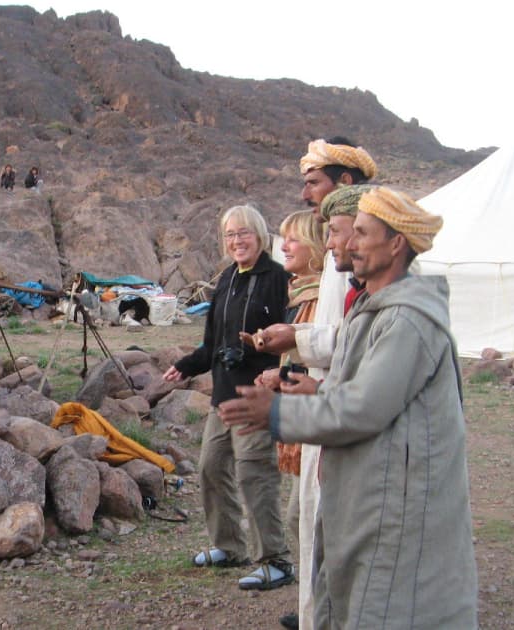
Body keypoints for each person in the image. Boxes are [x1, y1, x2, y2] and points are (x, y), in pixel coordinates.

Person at [220, 187, 479, 629]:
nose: (349, 244)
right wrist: (317, 393)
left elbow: (363, 410)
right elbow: (372, 395)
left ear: (396, 243)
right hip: (374, 493)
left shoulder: (407, 321)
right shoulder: (376, 311)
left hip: (395, 500)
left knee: (387, 606)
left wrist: (278, 414)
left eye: (360, 233)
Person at [269, 137, 379, 630]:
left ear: (346, 182)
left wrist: (295, 338)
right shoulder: (340, 254)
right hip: (323, 401)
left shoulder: (360, 261)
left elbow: (354, 339)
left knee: (333, 523)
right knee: (313, 519)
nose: (306, 192)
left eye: (314, 182)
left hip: (344, 406)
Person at [161, 205, 293, 590]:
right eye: (230, 235)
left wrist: (267, 359)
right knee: (211, 466)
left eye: (244, 233)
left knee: (255, 473)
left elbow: (291, 337)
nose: (237, 241)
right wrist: (187, 365)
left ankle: (275, 559)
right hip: (223, 392)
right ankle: (229, 545)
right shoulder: (226, 280)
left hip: (257, 394)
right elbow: (213, 344)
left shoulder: (277, 278)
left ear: (260, 235)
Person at [252, 210, 324, 575]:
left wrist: (280, 376)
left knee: (306, 517)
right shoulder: (302, 294)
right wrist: (276, 372)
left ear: (317, 245)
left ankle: (321, 607)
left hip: (321, 419)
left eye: (294, 239)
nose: (286, 246)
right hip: (304, 416)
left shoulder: (325, 296)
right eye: (283, 238)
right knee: (302, 515)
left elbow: (323, 359)